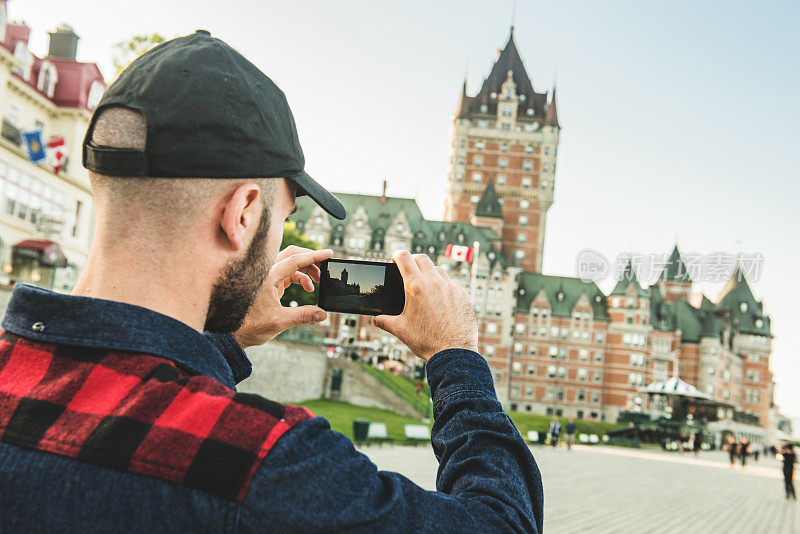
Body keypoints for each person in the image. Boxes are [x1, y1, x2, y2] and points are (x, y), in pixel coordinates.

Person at [0, 32, 543, 533]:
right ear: (241, 215)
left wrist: (223, 336)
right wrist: (456, 357)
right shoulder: (265, 461)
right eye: (281, 218)